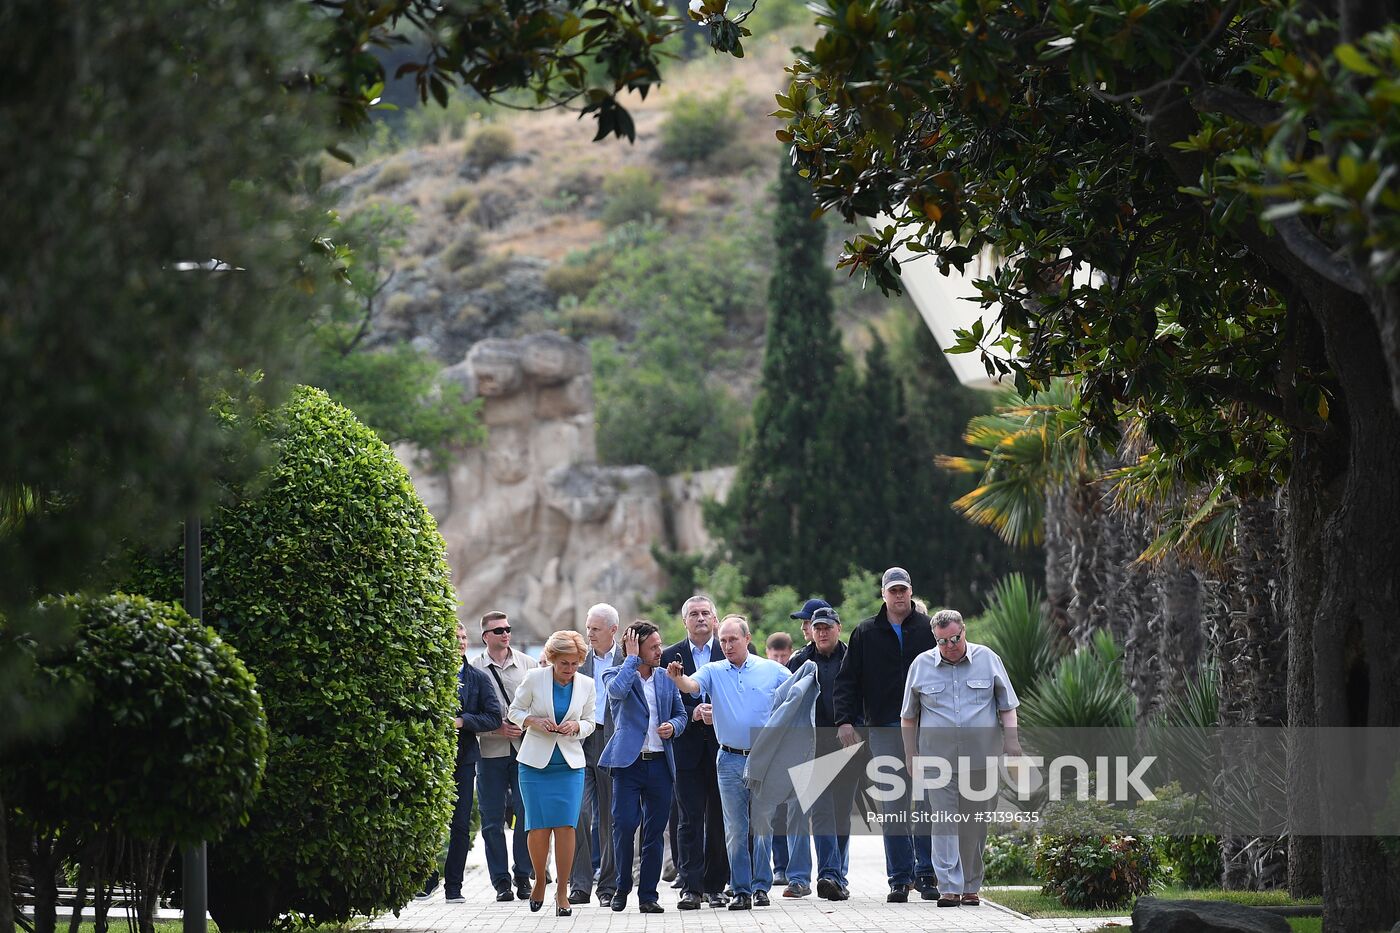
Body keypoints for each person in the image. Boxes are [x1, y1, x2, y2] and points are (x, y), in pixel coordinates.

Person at [667, 615, 791, 911]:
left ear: (747, 639)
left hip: (764, 758)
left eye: (732, 639)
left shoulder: (771, 669)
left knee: (761, 827)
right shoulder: (713, 670)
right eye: (722, 640)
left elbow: (797, 695)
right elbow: (690, 685)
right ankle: (741, 890)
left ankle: (761, 887)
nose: (726, 645)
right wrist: (677, 678)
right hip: (728, 758)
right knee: (734, 827)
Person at [901, 609, 1020, 908]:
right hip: (938, 762)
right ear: (935, 639)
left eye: (955, 638)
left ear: (964, 631)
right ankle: (950, 888)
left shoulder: (988, 659)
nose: (950, 645)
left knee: (975, 823)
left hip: (982, 760)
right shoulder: (921, 666)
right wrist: (910, 754)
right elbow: (908, 717)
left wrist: (1013, 742)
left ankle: (971, 886)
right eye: (942, 641)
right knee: (944, 821)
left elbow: (1007, 705)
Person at [833, 567, 938, 902]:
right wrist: (845, 720)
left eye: (902, 590)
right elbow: (847, 680)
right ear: (883, 594)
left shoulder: (928, 629)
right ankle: (899, 878)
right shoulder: (865, 632)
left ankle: (927, 874)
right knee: (893, 804)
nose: (898, 595)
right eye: (892, 590)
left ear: (910, 591)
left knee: (924, 804)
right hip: (883, 727)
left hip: (925, 729)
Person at [599, 621, 688, 914]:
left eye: (660, 645)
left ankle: (648, 895)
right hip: (628, 764)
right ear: (635, 647)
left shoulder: (665, 678)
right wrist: (631, 659)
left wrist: (672, 727)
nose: (660, 650)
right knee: (623, 826)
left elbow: (680, 714)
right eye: (653, 646)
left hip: (661, 765)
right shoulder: (616, 673)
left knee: (653, 832)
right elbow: (616, 693)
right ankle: (622, 887)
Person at [508, 630, 597, 916]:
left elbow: (590, 721)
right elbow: (514, 712)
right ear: (552, 659)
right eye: (564, 664)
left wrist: (577, 727)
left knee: (566, 827)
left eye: (574, 664)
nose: (569, 670)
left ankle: (562, 893)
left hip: (569, 767)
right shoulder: (534, 678)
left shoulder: (586, 684)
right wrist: (534, 720)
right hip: (534, 765)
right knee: (538, 827)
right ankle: (538, 883)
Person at [418, 622, 503, 903]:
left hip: (464, 759)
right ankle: (426, 881)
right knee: (427, 821)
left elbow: (493, 717)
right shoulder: (427, 675)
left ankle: (453, 887)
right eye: (454, 637)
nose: (461, 642)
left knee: (460, 823)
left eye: (464, 637)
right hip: (430, 757)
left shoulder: (478, 677)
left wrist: (463, 721)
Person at [658, 595, 730, 909]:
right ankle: (691, 886)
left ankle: (716, 885)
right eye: (694, 614)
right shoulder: (669, 655)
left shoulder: (730, 649)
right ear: (684, 620)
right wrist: (693, 711)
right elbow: (664, 701)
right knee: (688, 819)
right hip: (685, 748)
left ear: (714, 619)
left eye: (705, 613)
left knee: (719, 818)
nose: (700, 619)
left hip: (724, 746)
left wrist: (719, 711)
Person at [786, 605, 854, 901]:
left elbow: (864, 696)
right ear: (810, 632)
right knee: (822, 811)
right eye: (818, 628)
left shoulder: (854, 658)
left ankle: (837, 876)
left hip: (849, 745)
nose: (823, 632)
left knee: (842, 815)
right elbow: (785, 702)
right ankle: (829, 875)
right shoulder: (799, 661)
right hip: (812, 747)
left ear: (839, 628)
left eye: (828, 627)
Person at [471, 610, 537, 901]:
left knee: (525, 815)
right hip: (489, 753)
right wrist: (495, 729)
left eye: (508, 628)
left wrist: (525, 725)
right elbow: (468, 715)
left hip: (525, 751)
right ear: (486, 636)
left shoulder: (529, 665)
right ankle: (500, 882)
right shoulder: (473, 669)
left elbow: (539, 705)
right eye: (499, 630)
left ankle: (523, 876)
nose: (505, 634)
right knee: (492, 820)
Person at [570, 603, 624, 906]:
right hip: (581, 741)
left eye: (595, 629)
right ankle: (579, 884)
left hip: (614, 742)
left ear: (612, 630)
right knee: (580, 813)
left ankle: (608, 886)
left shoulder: (628, 659)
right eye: (588, 627)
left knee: (610, 819)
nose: (588, 634)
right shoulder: (578, 661)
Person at [762, 630, 796, 886]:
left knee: (788, 812)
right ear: (767, 654)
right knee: (772, 813)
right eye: (776, 656)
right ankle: (778, 866)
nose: (781, 661)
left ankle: (788, 867)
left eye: (784, 656)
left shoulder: (793, 675)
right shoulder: (761, 675)